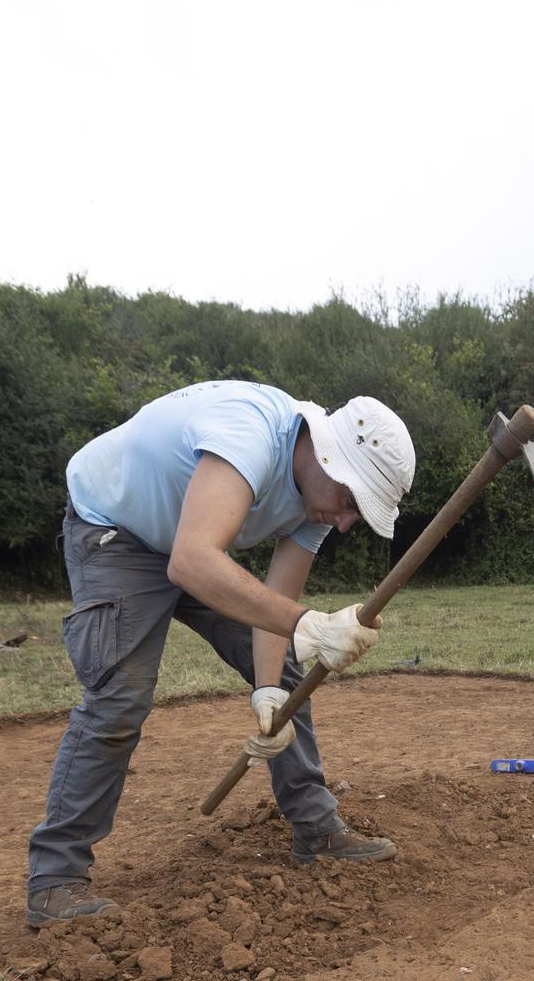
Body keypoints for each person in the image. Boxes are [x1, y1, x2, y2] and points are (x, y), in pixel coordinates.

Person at [26, 382, 415, 928]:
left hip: (191, 540)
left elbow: (275, 605)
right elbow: (191, 560)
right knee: (120, 697)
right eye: (351, 503)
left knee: (286, 665)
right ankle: (54, 882)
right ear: (328, 458)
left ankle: (316, 828)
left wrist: (268, 689)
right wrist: (310, 624)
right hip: (116, 530)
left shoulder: (315, 498)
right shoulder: (249, 434)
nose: (347, 522)